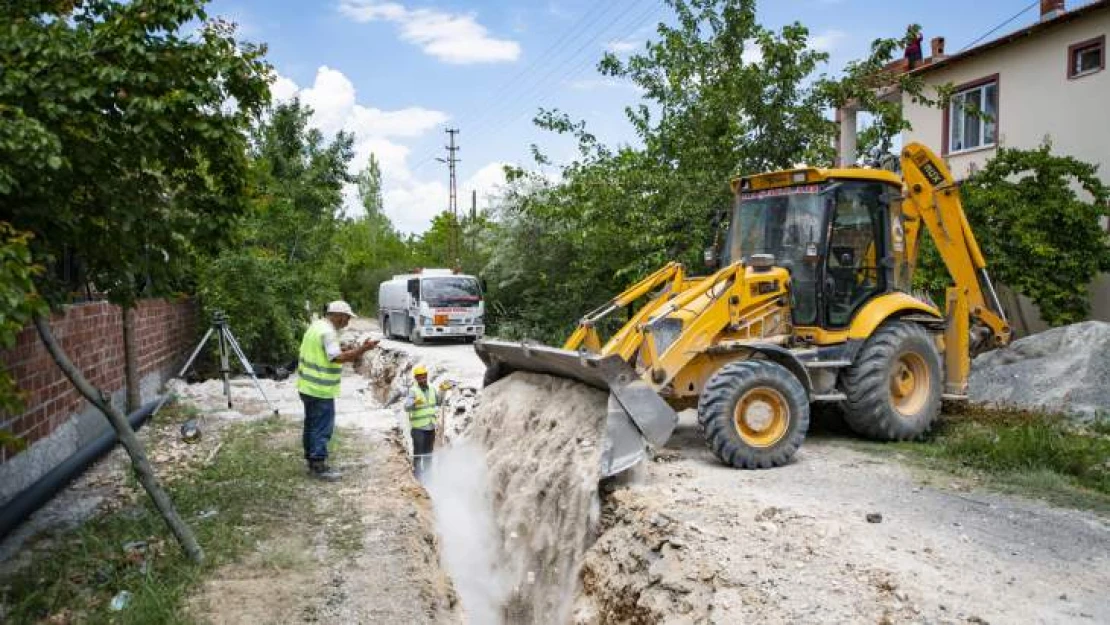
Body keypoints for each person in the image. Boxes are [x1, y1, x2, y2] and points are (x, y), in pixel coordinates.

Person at [296, 300, 378, 481]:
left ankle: (311, 459)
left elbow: (325, 351)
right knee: (321, 427)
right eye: (347, 318)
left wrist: (349, 349)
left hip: (307, 386)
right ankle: (318, 466)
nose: (347, 322)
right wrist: (362, 349)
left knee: (311, 425)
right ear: (338, 315)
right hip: (320, 388)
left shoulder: (316, 326)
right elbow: (337, 358)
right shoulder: (328, 332)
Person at [404, 364, 439, 480]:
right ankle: (418, 477)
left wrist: (443, 391)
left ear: (427, 376)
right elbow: (406, 407)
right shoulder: (413, 391)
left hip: (430, 426)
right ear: (416, 379)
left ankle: (429, 477)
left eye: (424, 377)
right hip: (419, 429)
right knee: (418, 454)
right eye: (420, 377)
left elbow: (440, 403)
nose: (422, 379)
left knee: (429, 454)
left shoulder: (433, 389)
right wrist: (414, 403)